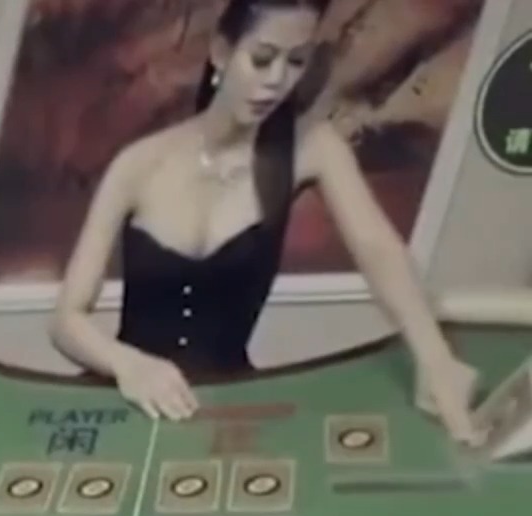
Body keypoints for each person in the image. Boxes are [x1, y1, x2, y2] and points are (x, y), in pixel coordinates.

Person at [49, 0, 481, 445]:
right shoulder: (137, 164)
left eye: (295, 62)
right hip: (129, 404)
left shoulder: (312, 149)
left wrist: (435, 357)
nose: (276, 80)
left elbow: (379, 249)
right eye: (261, 59)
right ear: (221, 52)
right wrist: (129, 365)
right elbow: (66, 320)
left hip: (231, 407)